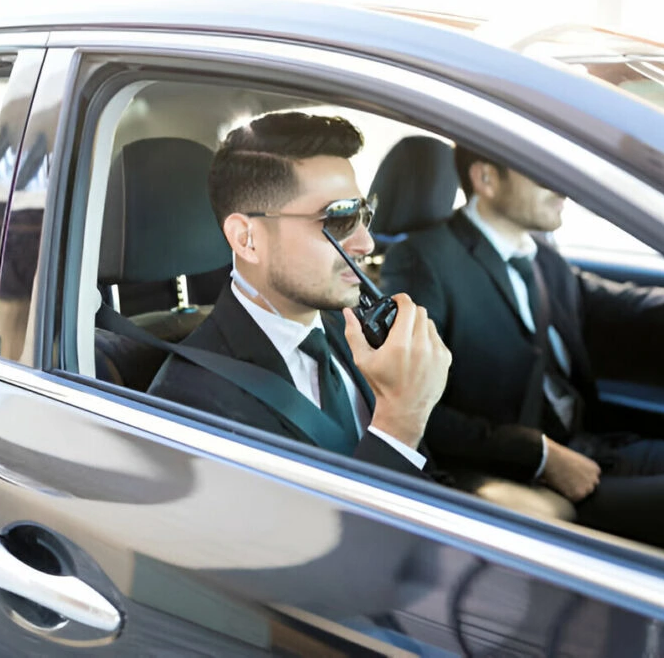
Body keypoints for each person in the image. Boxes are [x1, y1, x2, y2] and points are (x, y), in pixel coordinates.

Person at [380, 143, 664, 561]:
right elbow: (412, 404)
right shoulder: (423, 261)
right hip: (520, 475)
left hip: (592, 445)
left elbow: (634, 306)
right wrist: (538, 453)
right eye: (541, 172)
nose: (561, 188)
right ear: (486, 179)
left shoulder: (540, 257)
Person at [149, 112, 452, 478]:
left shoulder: (355, 332)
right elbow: (298, 536)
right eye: (339, 219)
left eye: (364, 214)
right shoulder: (189, 401)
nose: (366, 243)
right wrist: (399, 423)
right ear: (248, 239)